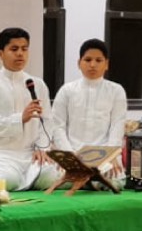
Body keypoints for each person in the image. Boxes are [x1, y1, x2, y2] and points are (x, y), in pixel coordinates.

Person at [0, 27, 60, 191]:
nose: (20, 54)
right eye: (14, 49)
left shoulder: (37, 84)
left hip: (29, 153)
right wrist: (20, 119)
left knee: (51, 176)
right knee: (7, 180)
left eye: (24, 49)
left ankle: (29, 176)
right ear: (1, 53)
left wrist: (41, 148)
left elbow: (47, 121)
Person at [51, 38, 128, 181]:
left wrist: (111, 155)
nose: (92, 65)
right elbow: (57, 126)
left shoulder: (116, 91)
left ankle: (88, 180)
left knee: (115, 179)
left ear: (106, 64)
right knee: (48, 177)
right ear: (79, 63)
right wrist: (69, 156)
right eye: (87, 60)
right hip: (72, 154)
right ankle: (86, 180)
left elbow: (117, 126)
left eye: (98, 60)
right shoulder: (66, 91)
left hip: (104, 156)